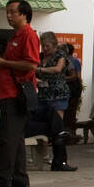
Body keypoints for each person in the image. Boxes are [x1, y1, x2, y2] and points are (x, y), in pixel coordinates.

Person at [0, 0, 40, 187]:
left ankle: (2, 181)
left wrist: (3, 63)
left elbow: (31, 65)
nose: (9, 15)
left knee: (7, 138)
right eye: (7, 12)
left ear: (24, 14)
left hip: (15, 94)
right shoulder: (16, 35)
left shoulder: (27, 35)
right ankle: (20, 179)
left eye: (13, 12)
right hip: (8, 92)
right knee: (16, 138)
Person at [32, 31, 76, 172]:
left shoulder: (60, 56)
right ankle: (43, 156)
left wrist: (39, 69)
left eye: (48, 46)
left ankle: (60, 161)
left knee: (58, 128)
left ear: (54, 45)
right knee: (44, 127)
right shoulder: (39, 56)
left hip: (57, 94)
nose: (45, 49)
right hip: (43, 95)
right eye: (43, 46)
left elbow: (58, 69)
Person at [62, 43, 83, 136]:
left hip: (67, 89)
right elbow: (79, 76)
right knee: (71, 112)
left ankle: (67, 133)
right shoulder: (76, 61)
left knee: (66, 112)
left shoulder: (65, 61)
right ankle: (71, 133)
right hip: (74, 90)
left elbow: (75, 76)